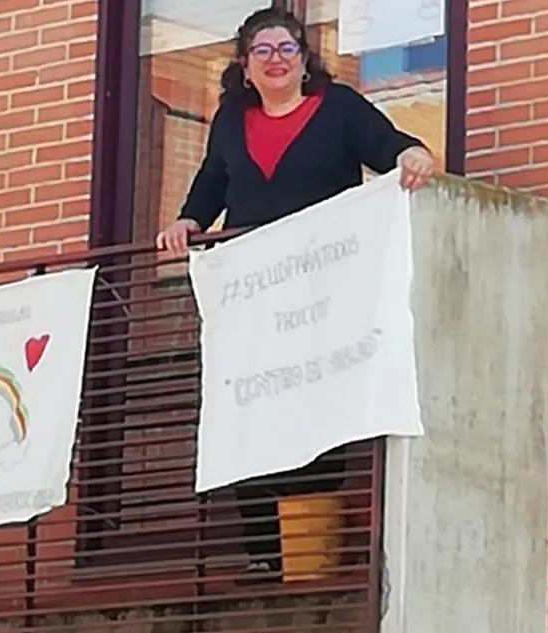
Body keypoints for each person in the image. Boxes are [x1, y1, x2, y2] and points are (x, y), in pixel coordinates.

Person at [155, 7, 435, 578]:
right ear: (244, 65)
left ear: (305, 61)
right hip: (255, 296)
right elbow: (212, 182)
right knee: (249, 405)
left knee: (315, 405)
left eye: (288, 48)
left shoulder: (339, 109)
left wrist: (412, 155)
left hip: (322, 290)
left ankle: (308, 558)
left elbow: (389, 145)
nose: (277, 59)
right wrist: (187, 221)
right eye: (264, 51)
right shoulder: (230, 120)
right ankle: (263, 555)